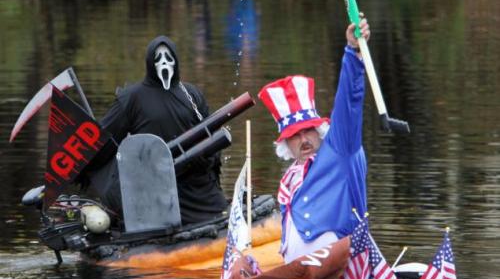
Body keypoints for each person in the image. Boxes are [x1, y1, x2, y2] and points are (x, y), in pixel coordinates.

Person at [258, 18, 371, 263]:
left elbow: (348, 105)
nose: (303, 139)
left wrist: (353, 53)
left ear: (319, 129)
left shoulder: (341, 152)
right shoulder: (290, 178)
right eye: (294, 136)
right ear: (285, 144)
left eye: (307, 130)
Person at [98, 35, 228, 225]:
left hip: (199, 189)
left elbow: (212, 138)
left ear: (176, 60)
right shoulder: (132, 98)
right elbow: (102, 140)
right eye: (158, 59)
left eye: (168, 57)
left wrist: (207, 158)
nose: (164, 63)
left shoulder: (191, 94)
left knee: (223, 215)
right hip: (157, 190)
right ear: (150, 62)